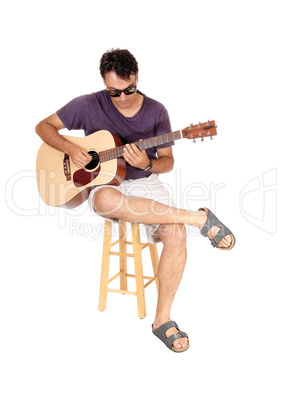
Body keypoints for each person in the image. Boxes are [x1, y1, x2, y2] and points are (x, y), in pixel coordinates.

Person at [35, 48, 235, 353]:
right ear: (105, 84)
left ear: (137, 77)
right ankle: (197, 217)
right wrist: (71, 149)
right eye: (114, 92)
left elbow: (167, 161)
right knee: (102, 201)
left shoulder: (156, 111)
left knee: (177, 235)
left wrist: (146, 163)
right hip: (107, 186)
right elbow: (43, 127)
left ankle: (161, 320)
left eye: (129, 89)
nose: (123, 97)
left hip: (146, 184)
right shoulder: (87, 104)